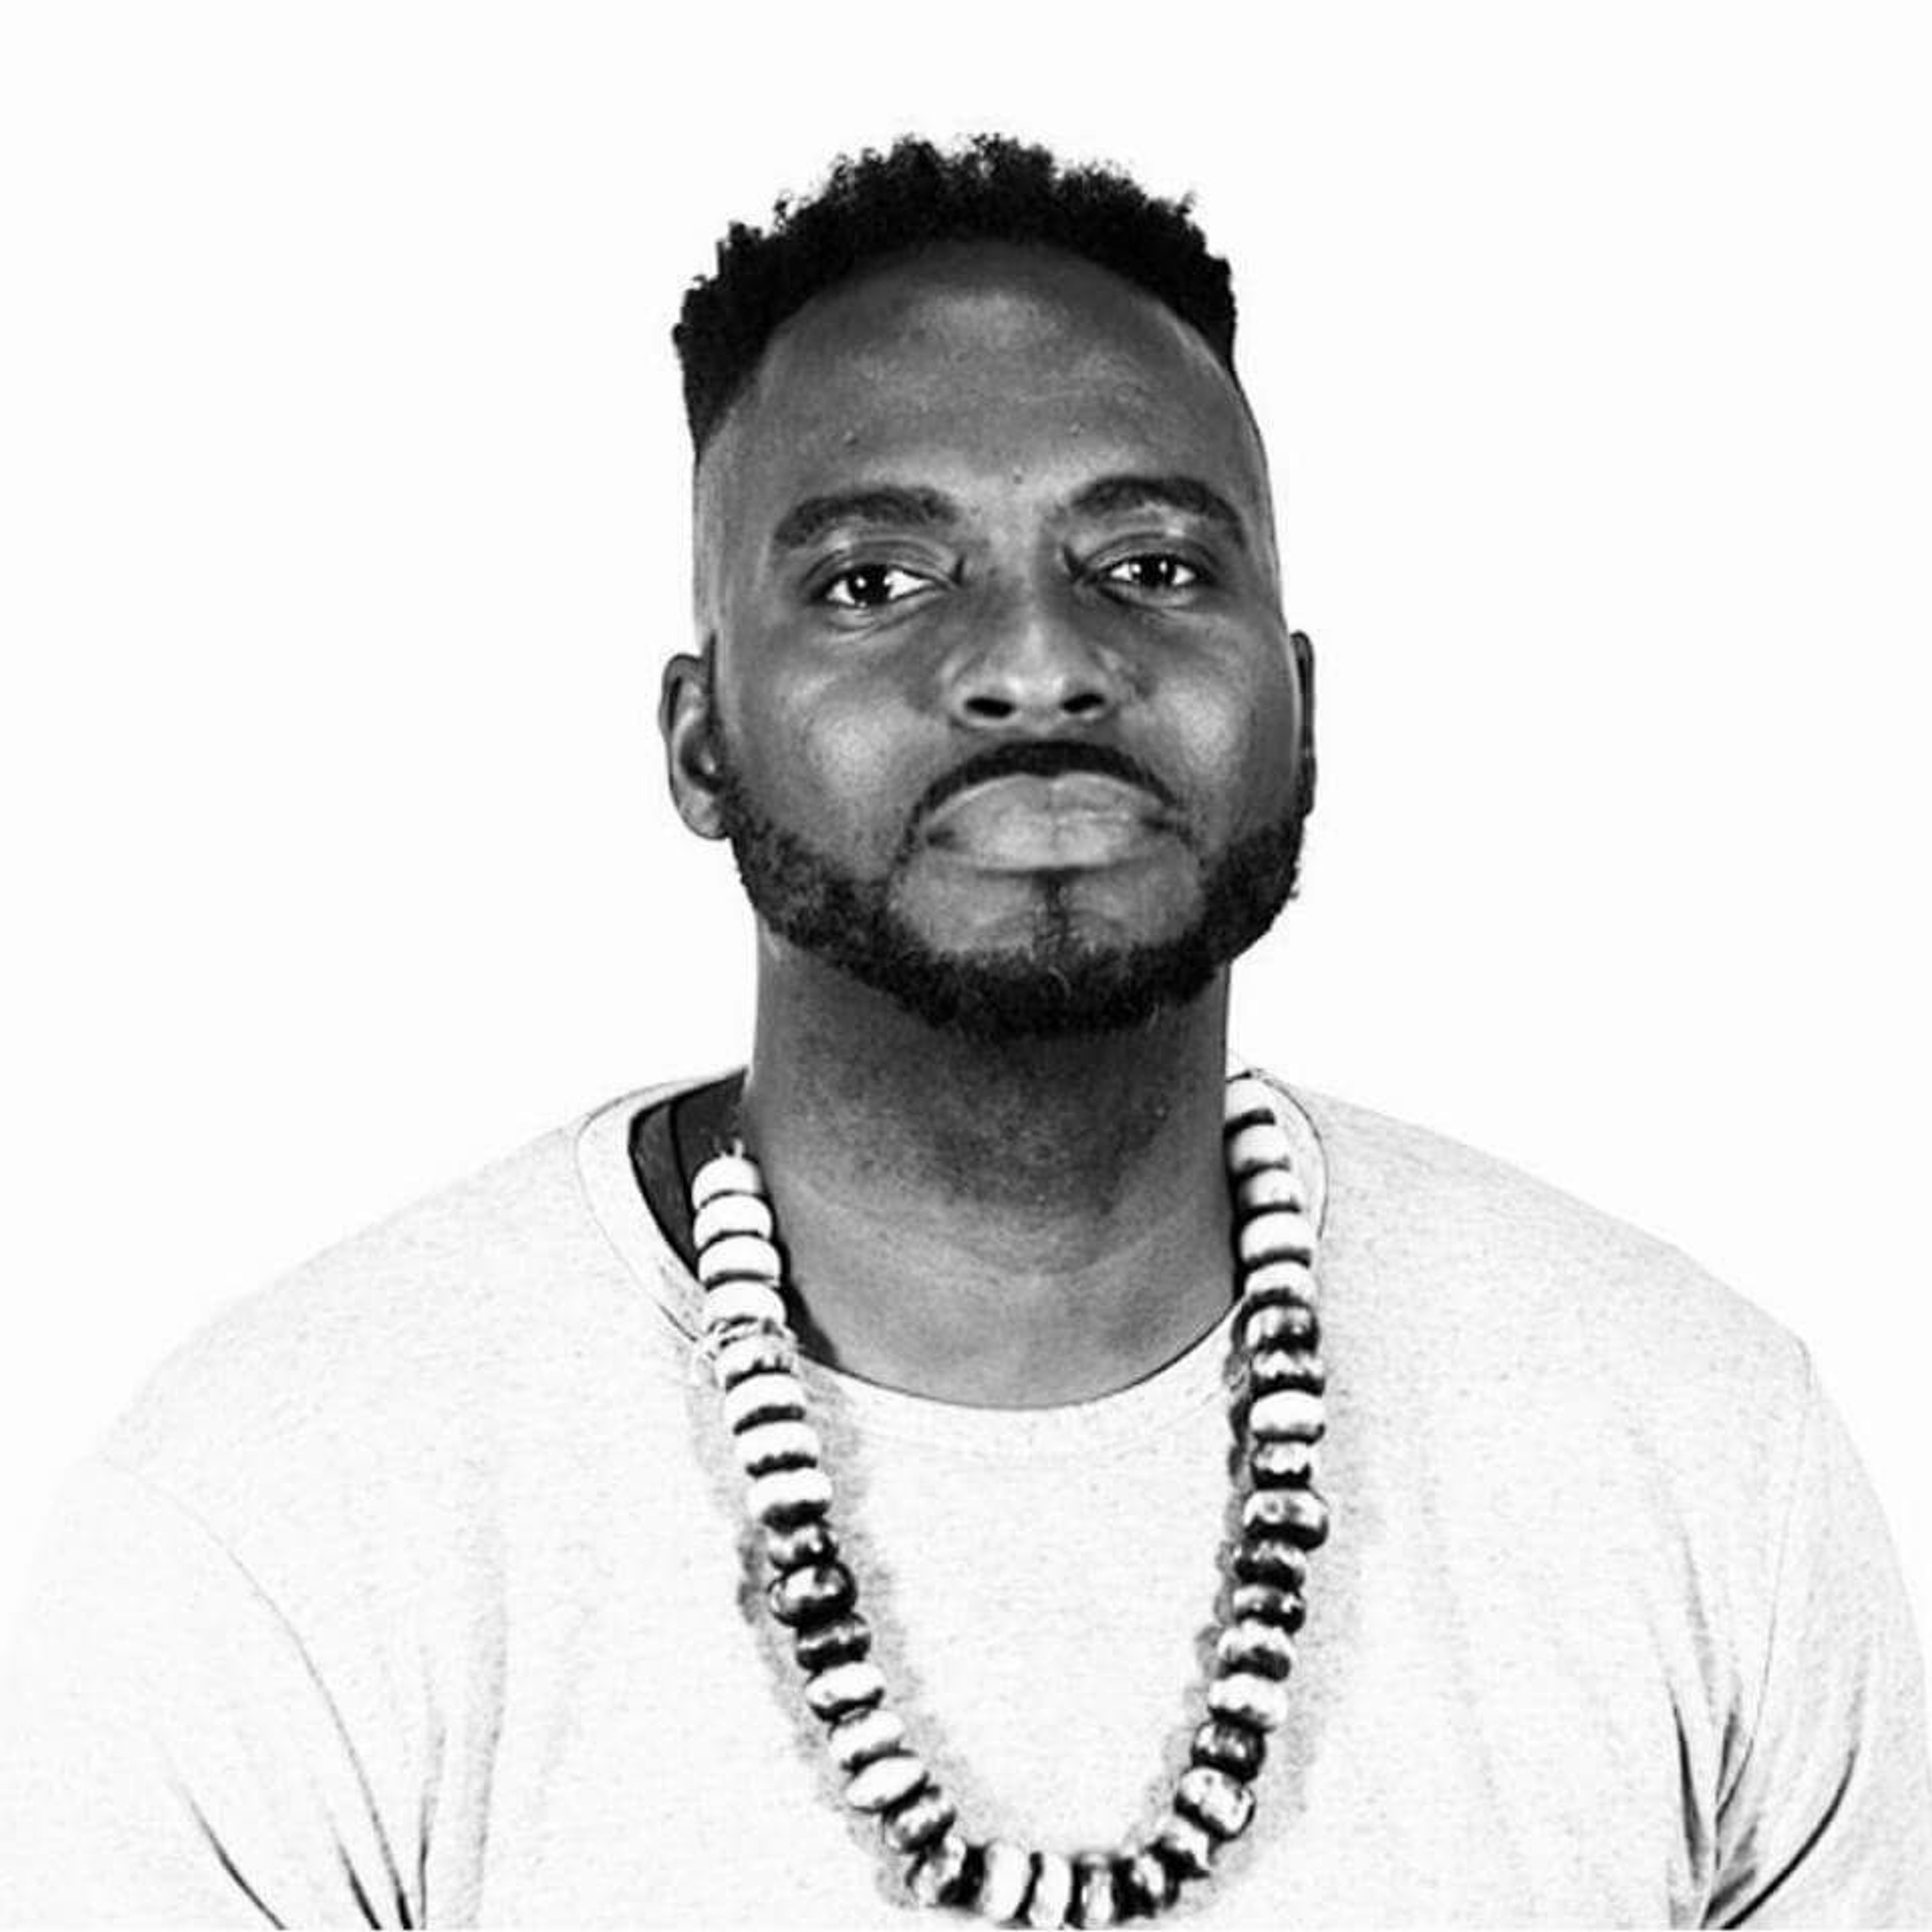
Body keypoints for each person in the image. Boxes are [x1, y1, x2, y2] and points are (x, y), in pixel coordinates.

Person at [1, 132, 1927, 1929]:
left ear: (1303, 704)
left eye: (1153, 565)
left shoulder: (1695, 1451)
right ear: (698, 737)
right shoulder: (284, 1521)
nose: (1036, 660)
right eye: (873, 580)